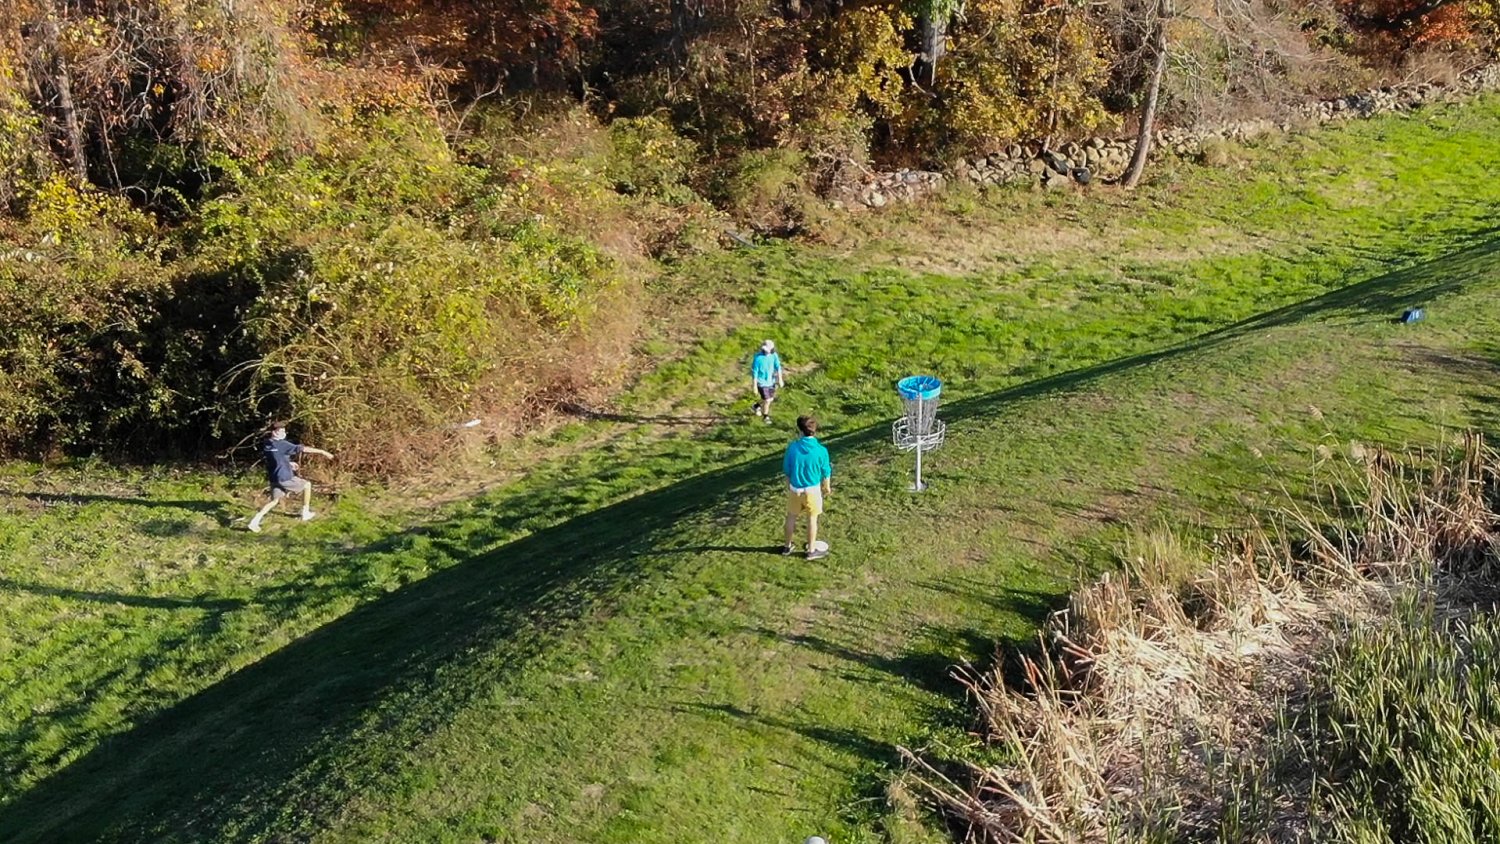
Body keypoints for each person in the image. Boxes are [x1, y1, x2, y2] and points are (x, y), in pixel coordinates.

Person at [248, 421, 334, 533]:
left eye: (284, 430)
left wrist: (289, 464)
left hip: (274, 478)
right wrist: (323, 452)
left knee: (274, 501)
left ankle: (254, 521)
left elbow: (277, 458)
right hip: (284, 477)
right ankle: (305, 513)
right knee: (307, 485)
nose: (283, 433)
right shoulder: (283, 444)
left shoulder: (267, 444)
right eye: (280, 431)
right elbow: (303, 449)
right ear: (274, 432)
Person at [782, 415, 832, 560]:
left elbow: (787, 470)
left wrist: (789, 486)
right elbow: (826, 471)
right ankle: (811, 550)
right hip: (813, 491)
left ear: (800, 431)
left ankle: (787, 547)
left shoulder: (793, 448)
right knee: (812, 519)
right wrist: (827, 487)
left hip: (795, 489)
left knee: (791, 517)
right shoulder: (821, 450)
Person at [750, 339, 784, 424]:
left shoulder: (774, 356)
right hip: (761, 382)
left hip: (771, 381)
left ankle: (756, 406)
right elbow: (755, 373)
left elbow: (778, 367)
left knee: (769, 399)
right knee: (768, 400)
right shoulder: (758, 358)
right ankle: (766, 416)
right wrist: (754, 386)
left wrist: (780, 379)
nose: (765, 351)